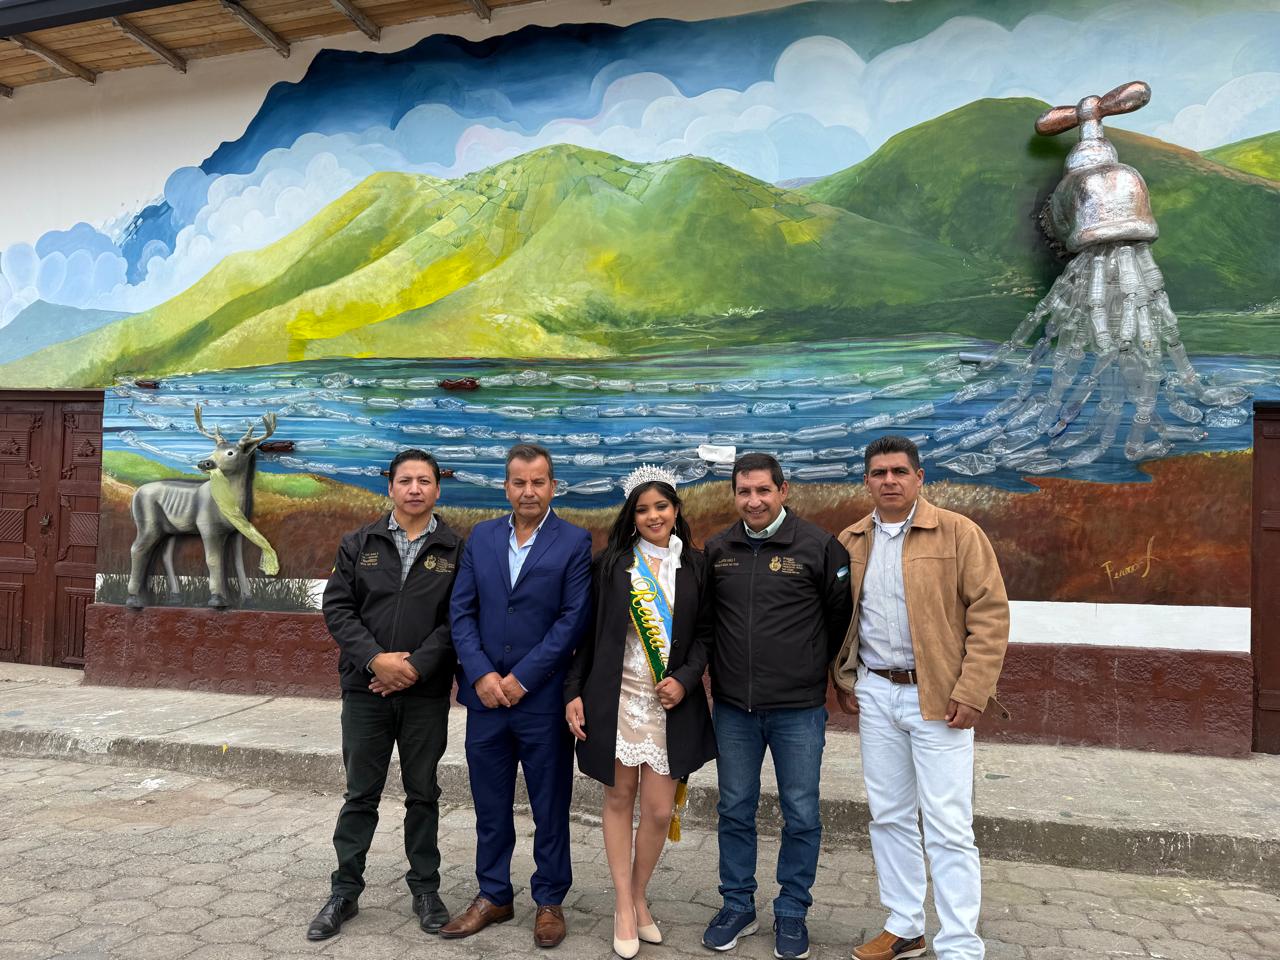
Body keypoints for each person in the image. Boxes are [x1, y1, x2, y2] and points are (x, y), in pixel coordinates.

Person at [832, 435, 1009, 960]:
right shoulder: (851, 540)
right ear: (866, 480)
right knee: (888, 815)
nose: (889, 480)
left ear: (919, 478)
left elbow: (990, 615)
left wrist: (973, 690)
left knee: (949, 824)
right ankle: (905, 926)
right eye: (879, 472)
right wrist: (845, 677)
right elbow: (839, 616)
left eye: (899, 472)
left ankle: (959, 945)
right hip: (876, 691)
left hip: (938, 698)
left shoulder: (958, 532)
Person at [701, 452, 853, 960]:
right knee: (734, 809)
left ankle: (792, 910)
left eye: (763, 490)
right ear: (734, 495)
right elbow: (707, 622)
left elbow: (838, 618)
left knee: (801, 813)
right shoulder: (718, 549)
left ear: (783, 491)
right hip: (733, 710)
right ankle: (737, 904)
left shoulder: (819, 547)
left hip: (797, 711)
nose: (754, 501)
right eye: (744, 491)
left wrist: (807, 669)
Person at [441, 443, 593, 949]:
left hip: (542, 702)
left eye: (538, 482)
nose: (529, 491)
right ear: (506, 487)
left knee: (550, 807)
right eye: (519, 482)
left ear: (553, 487)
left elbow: (572, 621)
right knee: (490, 806)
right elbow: (461, 612)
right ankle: (494, 895)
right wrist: (481, 674)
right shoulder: (482, 537)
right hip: (486, 701)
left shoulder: (574, 542)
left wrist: (522, 678)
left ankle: (549, 900)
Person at [307, 449, 462, 941]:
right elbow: (338, 609)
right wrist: (376, 660)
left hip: (425, 693)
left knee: (423, 794)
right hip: (365, 689)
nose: (415, 489)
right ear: (390, 487)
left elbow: (458, 619)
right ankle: (344, 892)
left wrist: (414, 667)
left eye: (424, 481)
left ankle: (426, 890)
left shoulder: (456, 549)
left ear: (437, 489)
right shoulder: (359, 543)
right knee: (360, 794)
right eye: (405, 480)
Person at [564, 466, 716, 959]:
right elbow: (585, 635)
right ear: (631, 516)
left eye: (661, 507)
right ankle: (625, 908)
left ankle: (637, 892)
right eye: (643, 509)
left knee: (657, 810)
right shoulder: (612, 565)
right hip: (618, 698)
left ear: (676, 510)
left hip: (671, 704)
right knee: (618, 798)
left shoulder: (697, 565)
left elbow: (706, 635)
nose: (653, 516)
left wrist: (686, 679)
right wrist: (573, 691)